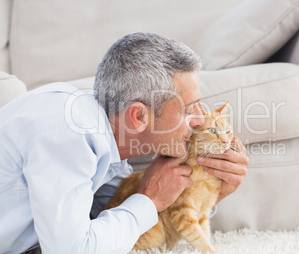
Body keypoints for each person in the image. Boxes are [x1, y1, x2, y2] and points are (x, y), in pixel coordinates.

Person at [0, 32, 248, 254]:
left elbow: (104, 208)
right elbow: (73, 249)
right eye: (187, 110)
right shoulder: (71, 135)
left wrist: (210, 191)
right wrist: (149, 201)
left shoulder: (101, 127)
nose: (199, 120)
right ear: (138, 116)